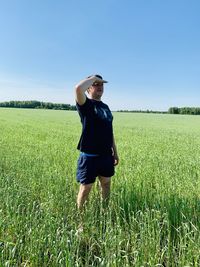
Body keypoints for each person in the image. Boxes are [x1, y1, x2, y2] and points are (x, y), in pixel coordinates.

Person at [75, 74, 119, 212]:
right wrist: (93, 78)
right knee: (86, 188)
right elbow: (77, 88)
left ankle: (104, 213)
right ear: (88, 88)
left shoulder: (105, 107)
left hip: (106, 156)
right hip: (89, 156)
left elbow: (109, 131)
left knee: (106, 184)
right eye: (96, 84)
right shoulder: (85, 104)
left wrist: (115, 153)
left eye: (101, 84)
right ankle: (81, 221)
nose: (100, 86)